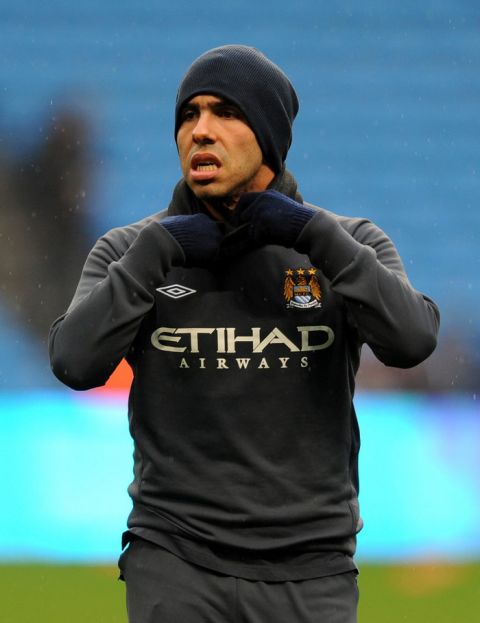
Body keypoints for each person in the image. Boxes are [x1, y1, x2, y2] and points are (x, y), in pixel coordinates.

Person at [49, 45, 440, 623]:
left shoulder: (348, 242)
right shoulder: (130, 251)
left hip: (312, 568)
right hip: (174, 558)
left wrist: (314, 234)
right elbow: (74, 362)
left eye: (226, 112)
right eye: (189, 115)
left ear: (269, 136)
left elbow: (412, 341)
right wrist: (159, 250)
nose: (201, 131)